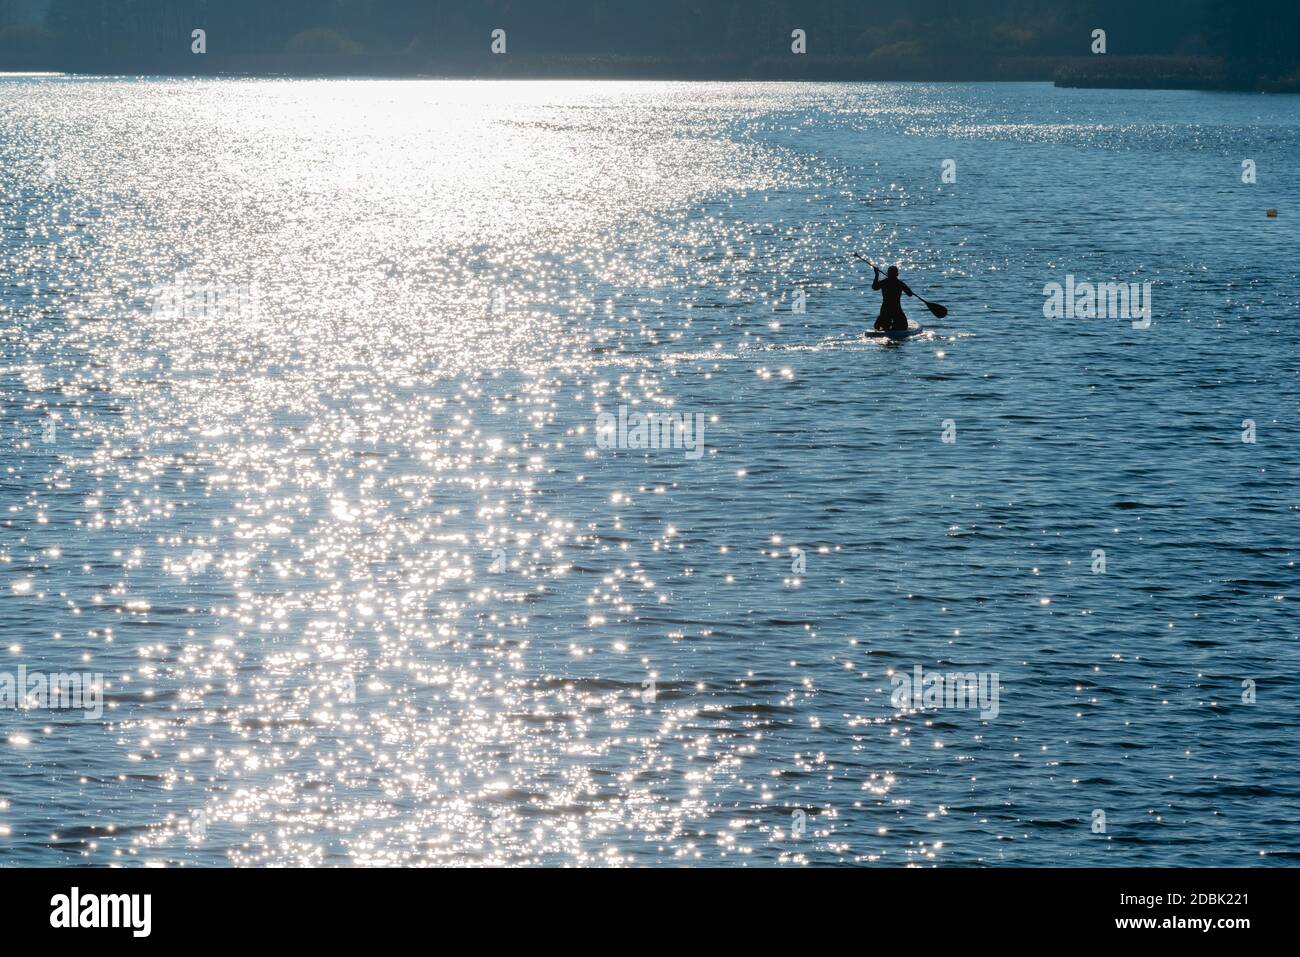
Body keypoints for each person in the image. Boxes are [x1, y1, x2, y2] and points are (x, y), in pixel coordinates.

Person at [872, 265, 914, 332]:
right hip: (896, 309)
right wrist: (908, 289)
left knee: (882, 326)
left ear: (888, 274)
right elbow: (910, 294)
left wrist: (877, 274)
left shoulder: (884, 282)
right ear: (897, 274)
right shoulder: (900, 283)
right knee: (904, 327)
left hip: (885, 309)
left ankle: (883, 324)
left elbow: (874, 287)